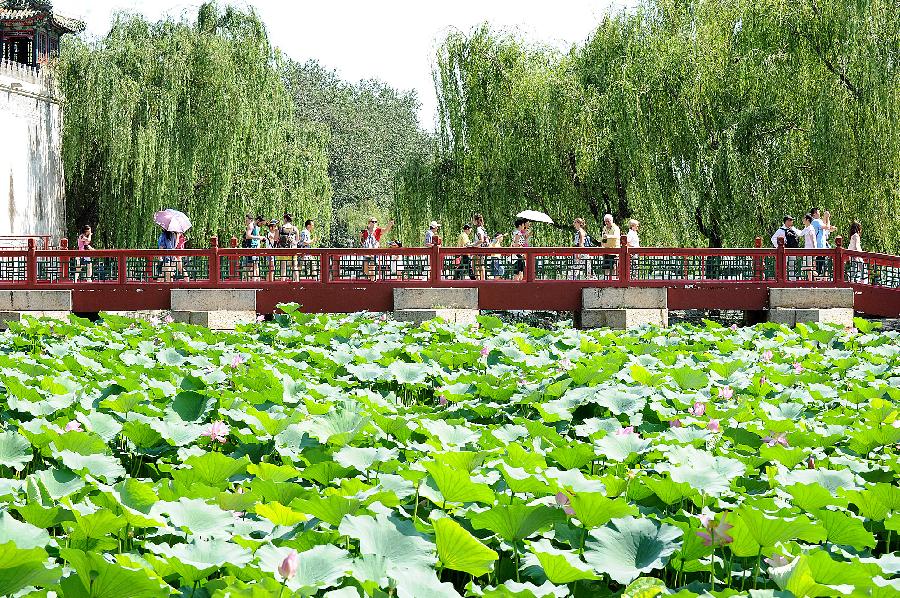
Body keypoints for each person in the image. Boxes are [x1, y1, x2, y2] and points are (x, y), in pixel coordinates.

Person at [772, 216, 801, 280]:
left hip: (792, 250)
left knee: (792, 266)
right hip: (784, 251)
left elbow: (800, 233)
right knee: (783, 265)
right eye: (790, 220)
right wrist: (779, 247)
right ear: (787, 221)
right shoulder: (780, 230)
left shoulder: (793, 229)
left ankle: (792, 280)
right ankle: (781, 279)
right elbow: (773, 239)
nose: (792, 221)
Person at [242, 214, 265, 281]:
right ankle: (247, 280)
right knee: (249, 264)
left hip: (255, 247)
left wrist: (261, 239)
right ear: (257, 220)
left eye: (246, 220)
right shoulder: (251, 226)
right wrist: (259, 237)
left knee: (255, 264)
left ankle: (256, 279)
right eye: (261, 223)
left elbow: (256, 236)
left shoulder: (257, 227)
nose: (261, 224)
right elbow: (248, 236)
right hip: (250, 247)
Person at [600, 214, 621, 279]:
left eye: (608, 221)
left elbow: (616, 236)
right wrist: (602, 245)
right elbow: (603, 238)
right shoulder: (604, 228)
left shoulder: (616, 228)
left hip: (614, 250)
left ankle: (613, 280)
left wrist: (608, 236)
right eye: (605, 221)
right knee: (606, 266)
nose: (606, 223)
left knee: (613, 266)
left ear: (611, 220)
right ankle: (606, 280)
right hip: (606, 250)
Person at [800, 214, 817, 281]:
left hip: (810, 250)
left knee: (808, 267)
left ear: (807, 220)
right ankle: (811, 278)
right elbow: (800, 234)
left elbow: (813, 240)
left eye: (804, 218)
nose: (803, 220)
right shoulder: (806, 228)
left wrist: (815, 250)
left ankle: (814, 277)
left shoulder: (810, 228)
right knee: (806, 267)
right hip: (806, 250)